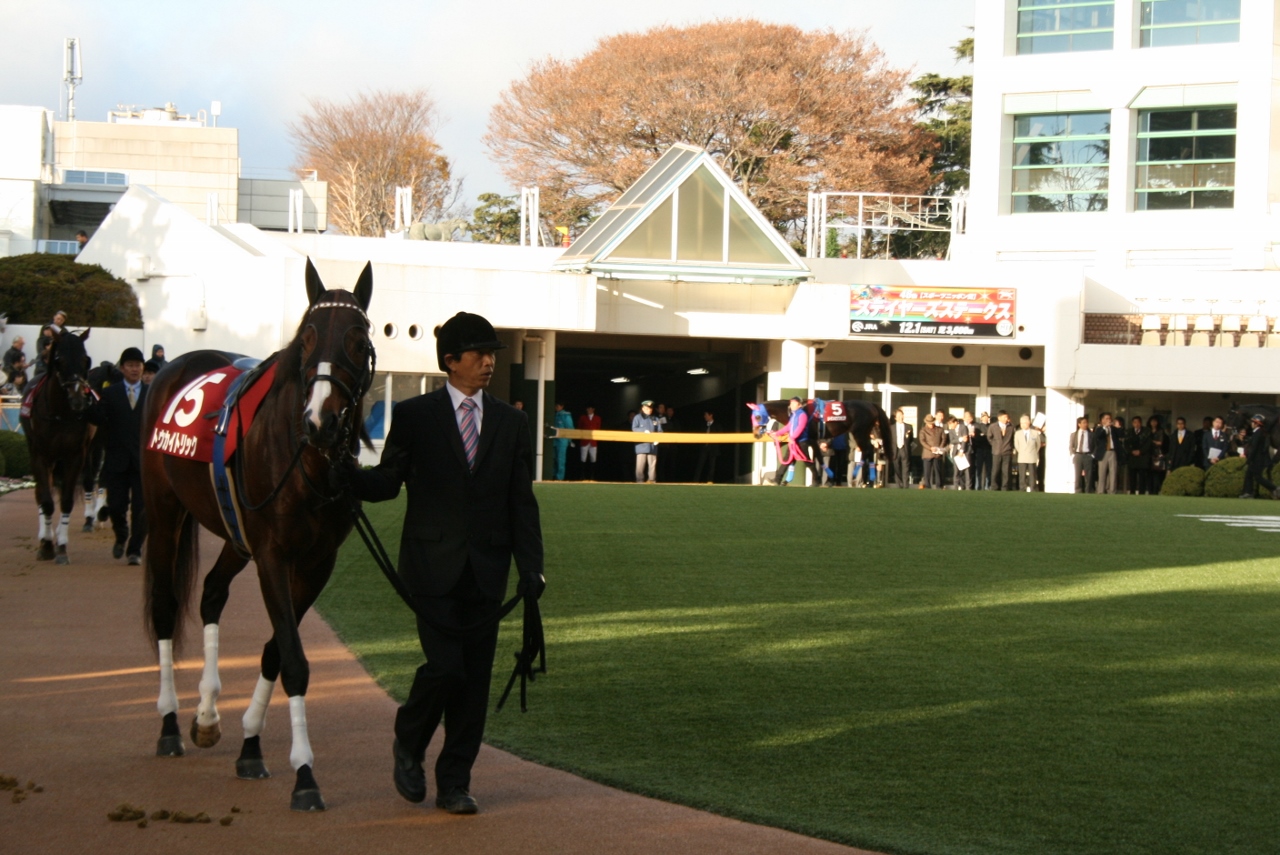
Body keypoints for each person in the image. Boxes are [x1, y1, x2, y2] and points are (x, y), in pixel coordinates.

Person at [342, 311, 544, 815]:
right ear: (449, 361)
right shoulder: (414, 416)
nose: (487, 362)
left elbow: (522, 503)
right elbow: (388, 483)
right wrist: (343, 475)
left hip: (489, 572)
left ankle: (454, 782)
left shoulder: (512, 422)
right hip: (430, 568)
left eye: (492, 353)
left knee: (473, 686)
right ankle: (408, 739)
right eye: (477, 353)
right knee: (446, 669)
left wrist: (532, 568)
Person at [90, 346, 148, 564]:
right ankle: (121, 535)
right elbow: (99, 418)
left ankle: (135, 550)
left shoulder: (152, 393)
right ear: (122, 368)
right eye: (131, 365)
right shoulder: (111, 393)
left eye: (138, 365)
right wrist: (88, 407)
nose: (135, 369)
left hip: (142, 462)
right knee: (115, 506)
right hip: (116, 460)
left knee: (142, 510)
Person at [770, 397, 812, 486]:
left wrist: (792, 438)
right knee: (786, 460)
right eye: (791, 403)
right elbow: (788, 427)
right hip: (793, 442)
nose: (791, 405)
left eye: (794, 403)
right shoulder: (794, 415)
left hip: (801, 442)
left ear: (799, 405)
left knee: (807, 461)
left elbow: (800, 428)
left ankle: (817, 479)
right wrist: (777, 433)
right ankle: (777, 480)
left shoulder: (802, 415)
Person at [1240, 413, 1279, 499]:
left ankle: (1274, 488)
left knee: (1258, 477)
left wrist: (1249, 459)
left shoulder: (1258, 433)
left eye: (1253, 422)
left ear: (1257, 423)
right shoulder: (1258, 433)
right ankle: (1248, 492)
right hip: (1257, 459)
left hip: (1257, 459)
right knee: (1249, 474)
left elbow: (1254, 448)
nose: (1251, 424)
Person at [632, 400, 661, 483]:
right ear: (643, 408)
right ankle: (639, 481)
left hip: (652, 445)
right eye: (648, 408)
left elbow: (660, 430)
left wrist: (657, 439)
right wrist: (643, 430)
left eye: (651, 408)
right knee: (640, 465)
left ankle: (652, 480)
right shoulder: (638, 417)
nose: (650, 410)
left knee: (652, 464)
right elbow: (634, 429)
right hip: (641, 445)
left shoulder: (655, 418)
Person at [1092, 412, 1121, 494]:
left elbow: (1121, 435)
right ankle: (1100, 491)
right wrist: (1105, 427)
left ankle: (1112, 491)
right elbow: (1099, 436)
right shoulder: (1099, 429)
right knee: (1102, 473)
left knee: (1113, 472)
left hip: (1112, 452)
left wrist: (1118, 427)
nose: (1109, 420)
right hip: (1103, 453)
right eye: (1107, 418)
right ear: (1102, 420)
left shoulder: (1114, 429)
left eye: (1110, 418)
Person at [987, 410, 1015, 491]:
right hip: (996, 452)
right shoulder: (993, 426)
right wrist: (995, 445)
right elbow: (989, 437)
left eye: (1007, 417)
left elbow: (1013, 438)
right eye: (1004, 417)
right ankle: (994, 486)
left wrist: (1011, 448)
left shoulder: (1011, 426)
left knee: (1006, 471)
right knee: (995, 470)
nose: (1006, 419)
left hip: (1007, 451)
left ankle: (1005, 487)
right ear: (999, 418)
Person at [691, 409, 722, 483]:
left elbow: (720, 437)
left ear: (711, 415)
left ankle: (710, 481)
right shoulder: (703, 425)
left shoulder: (717, 425)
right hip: (704, 447)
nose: (705, 416)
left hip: (713, 448)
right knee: (700, 465)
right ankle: (695, 481)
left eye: (706, 415)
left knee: (712, 466)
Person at [1014, 414, 1042, 492]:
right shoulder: (1017, 433)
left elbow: (1038, 444)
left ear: (1029, 423)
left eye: (1025, 423)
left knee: (1032, 474)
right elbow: (1017, 445)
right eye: (1021, 423)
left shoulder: (1035, 433)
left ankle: (1033, 488)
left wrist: (1033, 451)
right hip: (1022, 456)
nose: (1023, 425)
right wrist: (1022, 451)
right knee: (1022, 474)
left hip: (1032, 455)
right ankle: (1022, 488)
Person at [1125, 415, 1152, 495]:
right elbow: (1125, 444)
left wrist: (1140, 451)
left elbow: (1148, 444)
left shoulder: (1147, 431)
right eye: (1135, 422)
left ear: (1141, 423)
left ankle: (1141, 493)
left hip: (1142, 457)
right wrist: (1131, 451)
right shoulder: (1128, 432)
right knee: (1132, 477)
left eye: (1138, 422)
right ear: (1132, 423)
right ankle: (1132, 492)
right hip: (1132, 458)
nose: (1136, 424)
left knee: (1142, 478)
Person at [1069, 415, 1094, 493]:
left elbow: (1095, 445)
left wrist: (1092, 455)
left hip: (1087, 455)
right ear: (1079, 424)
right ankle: (1078, 491)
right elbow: (1071, 445)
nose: (1085, 424)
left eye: (1086, 423)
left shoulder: (1091, 434)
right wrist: (1073, 454)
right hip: (1078, 455)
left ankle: (1088, 491)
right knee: (1077, 475)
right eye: (1083, 423)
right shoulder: (1074, 434)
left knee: (1088, 476)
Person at [919, 414, 945, 490]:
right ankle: (927, 486)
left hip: (937, 453)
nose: (931, 425)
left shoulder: (940, 429)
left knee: (938, 470)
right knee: (927, 472)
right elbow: (922, 441)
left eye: (932, 423)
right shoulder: (923, 430)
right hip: (927, 453)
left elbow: (943, 438)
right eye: (929, 423)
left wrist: (939, 447)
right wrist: (930, 448)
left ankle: (938, 486)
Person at [576, 405, 601, 481]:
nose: (589, 410)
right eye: (588, 409)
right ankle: (582, 476)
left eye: (591, 408)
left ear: (593, 409)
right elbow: (579, 427)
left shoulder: (597, 418)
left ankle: (592, 476)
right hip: (584, 440)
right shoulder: (582, 418)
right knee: (583, 458)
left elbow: (598, 428)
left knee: (593, 459)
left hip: (593, 441)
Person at [889, 408, 913, 489]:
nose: (901, 417)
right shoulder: (891, 428)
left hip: (904, 449)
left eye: (902, 415)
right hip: (895, 450)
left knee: (906, 468)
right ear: (895, 417)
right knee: (897, 468)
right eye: (899, 416)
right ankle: (899, 484)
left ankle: (906, 486)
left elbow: (911, 440)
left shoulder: (909, 427)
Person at [550, 402, 573, 481]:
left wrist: (569, 440)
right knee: (553, 458)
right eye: (555, 406)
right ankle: (553, 476)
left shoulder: (566, 415)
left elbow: (570, 428)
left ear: (562, 406)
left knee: (561, 459)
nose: (556, 407)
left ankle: (559, 478)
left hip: (562, 441)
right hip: (554, 440)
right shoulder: (553, 414)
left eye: (558, 406)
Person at [1147, 416, 1169, 494]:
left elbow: (1160, 443)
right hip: (1148, 455)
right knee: (1149, 475)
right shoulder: (1147, 431)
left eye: (1155, 421)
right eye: (1152, 421)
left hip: (1157, 455)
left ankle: (1156, 491)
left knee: (1157, 474)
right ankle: (1150, 490)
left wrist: (1151, 441)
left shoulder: (1160, 431)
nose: (1153, 423)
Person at [971, 412, 992, 490]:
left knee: (989, 469)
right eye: (984, 417)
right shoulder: (977, 426)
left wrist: (984, 435)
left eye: (987, 417)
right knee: (978, 469)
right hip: (979, 450)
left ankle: (987, 486)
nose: (985, 418)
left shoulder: (991, 426)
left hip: (989, 450)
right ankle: (978, 486)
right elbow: (976, 438)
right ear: (981, 418)